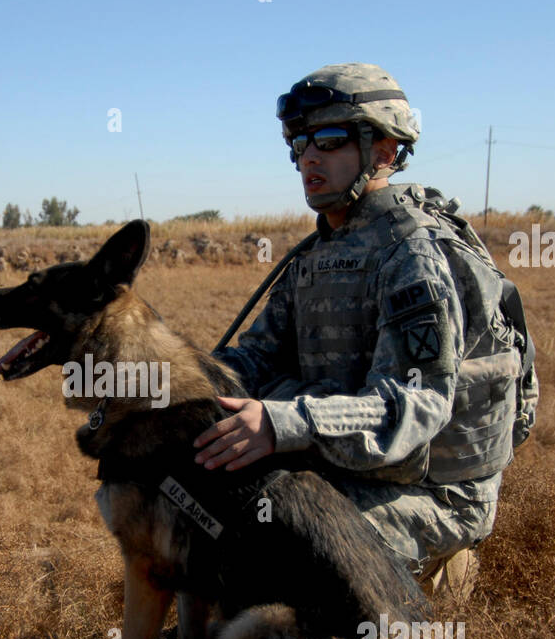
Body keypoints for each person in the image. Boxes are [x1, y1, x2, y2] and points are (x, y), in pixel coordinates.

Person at [195, 63, 536, 601]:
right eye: (299, 143)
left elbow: (416, 405)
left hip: (434, 491)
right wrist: (173, 379)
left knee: (285, 542)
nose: (308, 156)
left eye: (328, 140)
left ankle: (439, 571)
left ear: (384, 149)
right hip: (345, 467)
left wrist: (284, 421)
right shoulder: (320, 253)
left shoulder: (411, 254)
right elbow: (255, 358)